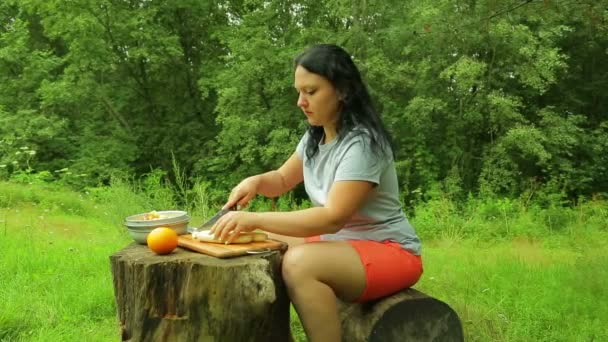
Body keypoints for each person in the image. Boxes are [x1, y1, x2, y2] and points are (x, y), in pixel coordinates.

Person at [210, 44, 423, 342]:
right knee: (264, 241)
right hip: (343, 245)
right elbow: (283, 178)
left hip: (391, 250)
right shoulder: (316, 135)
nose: (300, 101)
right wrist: (255, 182)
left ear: (342, 90)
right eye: (299, 92)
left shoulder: (362, 144)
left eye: (311, 92)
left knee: (299, 263)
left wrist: (254, 219)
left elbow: (332, 217)